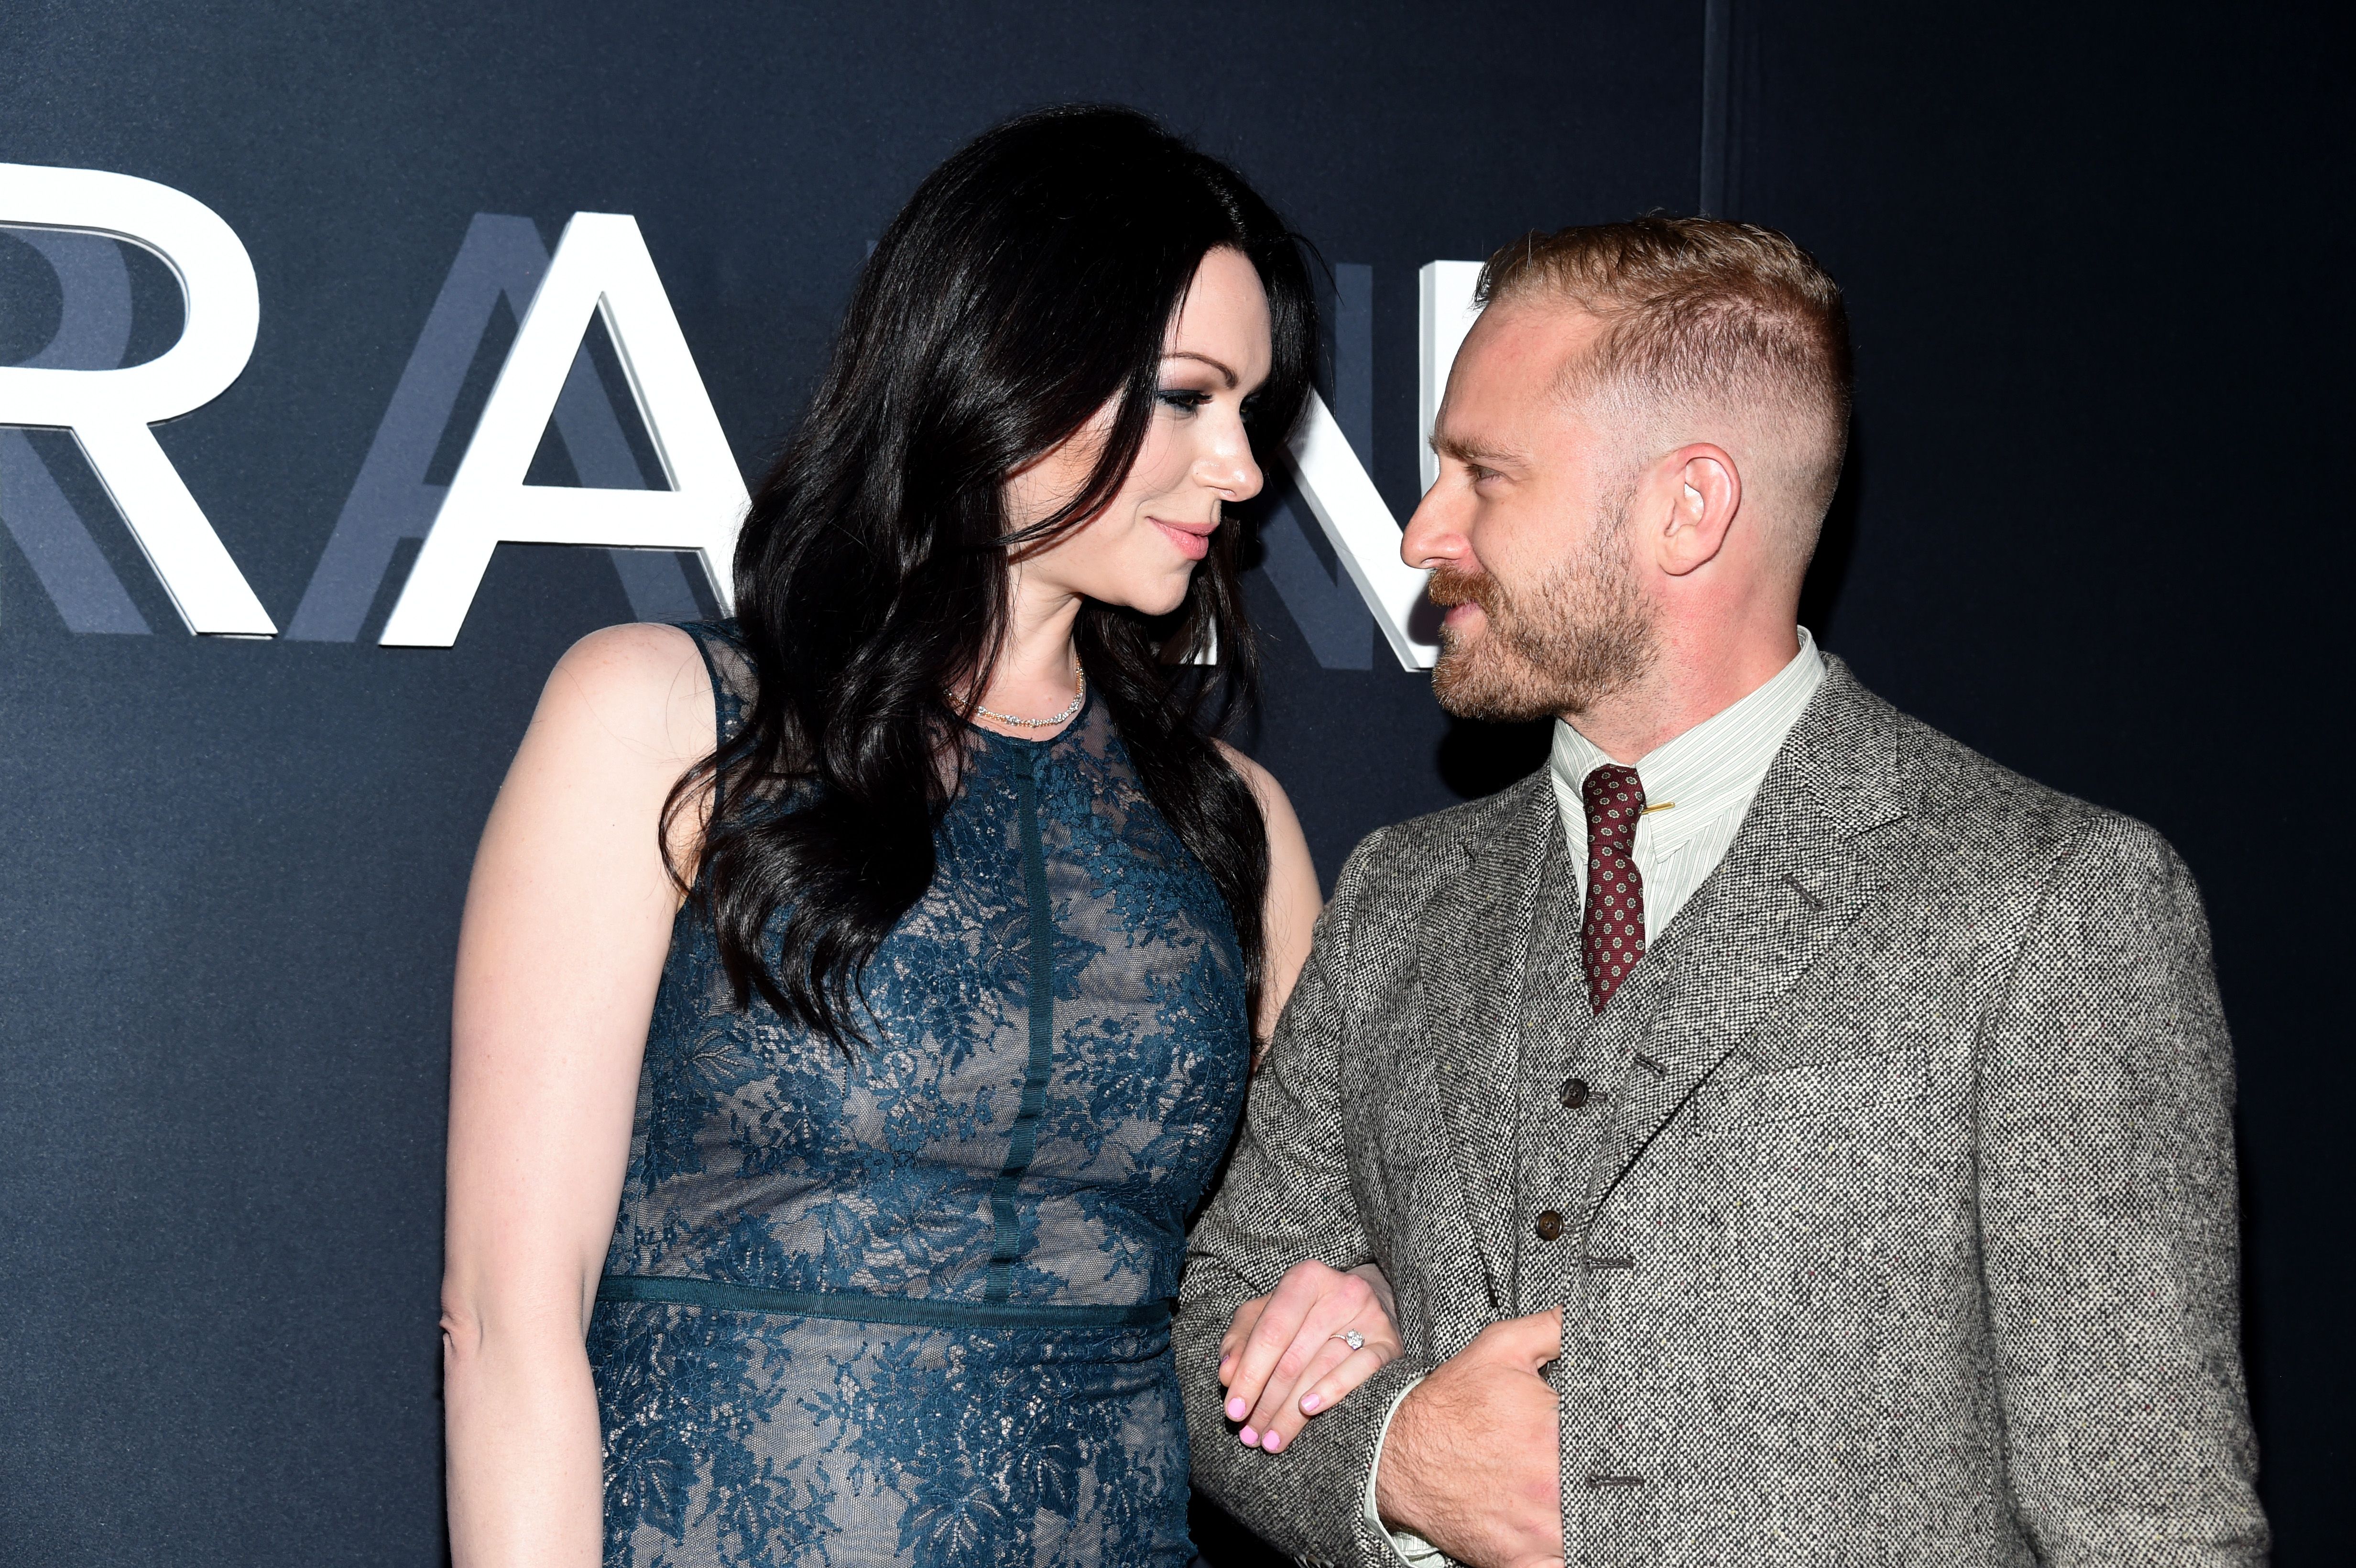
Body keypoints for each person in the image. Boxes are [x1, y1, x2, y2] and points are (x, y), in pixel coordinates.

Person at [1178, 217, 2268, 1568]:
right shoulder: (1405, 894)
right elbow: (1209, 1315)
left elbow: (2152, 1528)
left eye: (1482, 476)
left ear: (1687, 507)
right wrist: (1395, 1459)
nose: (1421, 534)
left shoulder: (2048, 906)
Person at [437, 106, 1401, 1568]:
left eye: (1252, 414)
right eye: (1191, 397)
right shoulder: (667, 722)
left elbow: (1303, 1264)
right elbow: (510, 1315)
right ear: (1015, 358)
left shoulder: (1237, 832)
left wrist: (1360, 1294)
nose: (1244, 470)